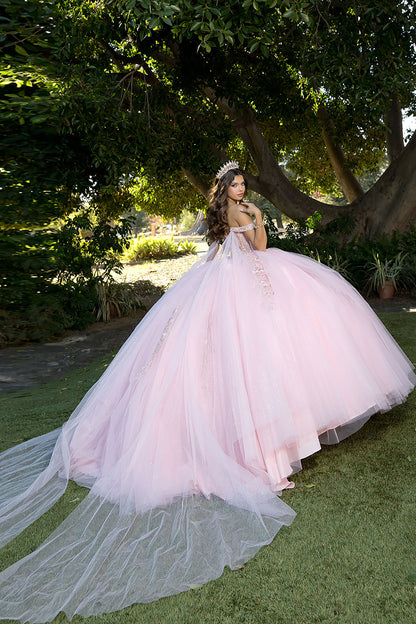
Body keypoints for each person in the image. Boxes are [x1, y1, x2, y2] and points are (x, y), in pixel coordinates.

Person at [0, 161, 414, 623]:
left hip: (217, 284)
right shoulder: (240, 213)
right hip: (240, 287)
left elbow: (232, 252)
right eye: (236, 184)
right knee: (255, 362)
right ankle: (266, 453)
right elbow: (259, 249)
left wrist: (251, 221)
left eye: (242, 184)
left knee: (225, 358)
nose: (241, 189)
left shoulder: (220, 215)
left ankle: (270, 443)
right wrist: (257, 219)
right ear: (227, 189)